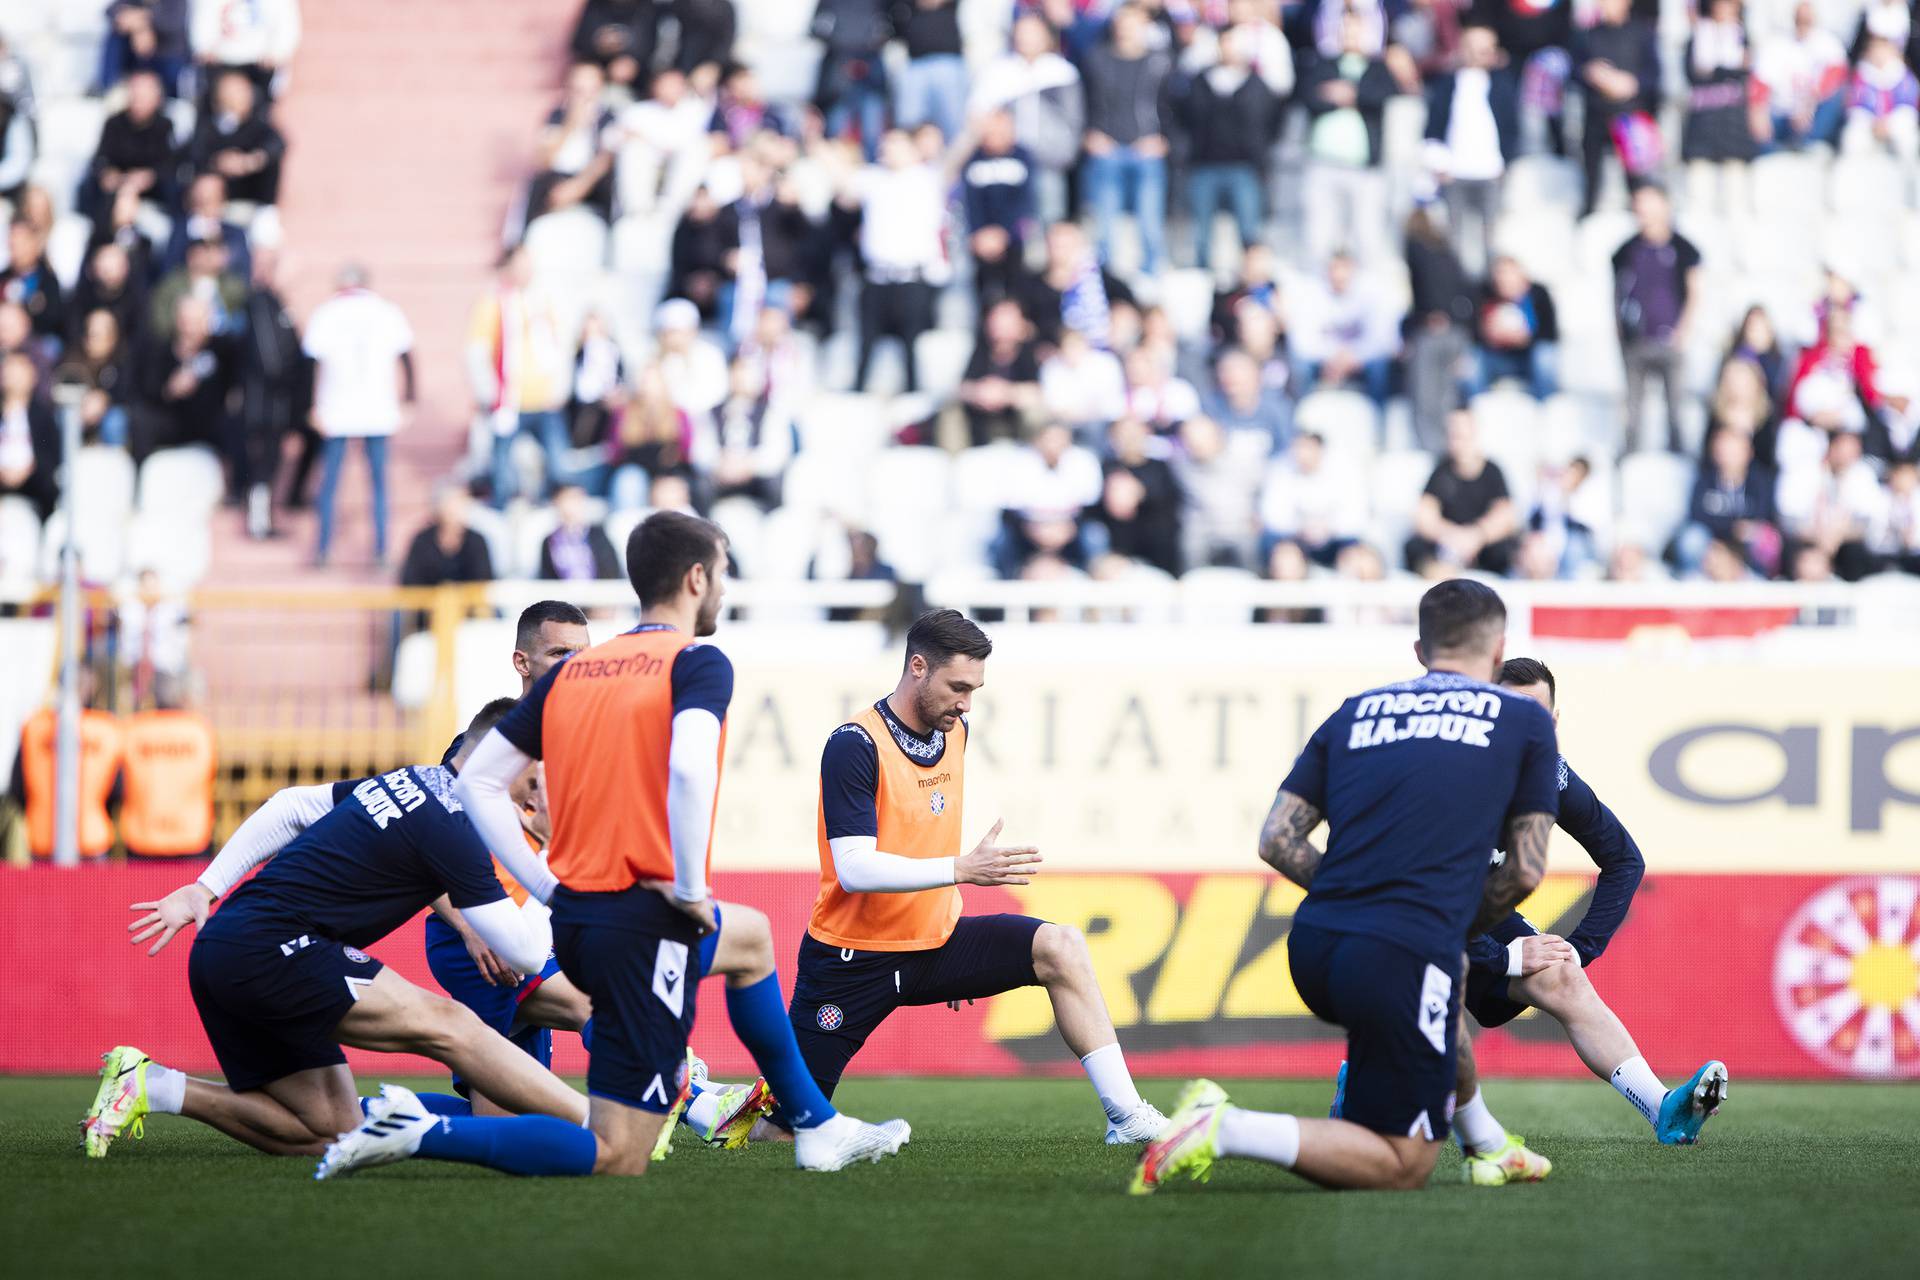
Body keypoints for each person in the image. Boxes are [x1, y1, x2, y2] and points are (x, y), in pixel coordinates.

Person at [327, 512, 913, 1177]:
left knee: (748, 940)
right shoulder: (696, 662)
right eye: (722, 572)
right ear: (697, 578)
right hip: (640, 919)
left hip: (575, 919)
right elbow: (691, 766)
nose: (723, 587)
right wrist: (689, 889)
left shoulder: (574, 673)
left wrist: (546, 887)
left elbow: (478, 782)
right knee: (616, 1152)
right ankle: (420, 1131)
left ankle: (816, 1123)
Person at [1133, 579, 1559, 1194]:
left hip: (1313, 946)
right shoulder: (1523, 719)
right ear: (1499, 652)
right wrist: (1445, 924)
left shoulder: (1356, 710)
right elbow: (1524, 869)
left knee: (1445, 984)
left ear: (1420, 649)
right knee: (1402, 1163)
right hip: (1395, 955)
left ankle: (1490, 1144)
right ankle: (1224, 1127)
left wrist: (1355, 896)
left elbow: (1277, 839)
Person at [83, 702, 586, 1162]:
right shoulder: (454, 822)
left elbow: (292, 805)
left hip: (228, 950)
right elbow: (524, 955)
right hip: (275, 948)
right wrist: (552, 854)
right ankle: (596, 1121)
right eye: (540, 764)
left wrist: (205, 887)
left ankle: (154, 1086)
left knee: (329, 1131)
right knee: (451, 1026)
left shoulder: (412, 781)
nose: (549, 780)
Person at [785, 609, 1167, 1142]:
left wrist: (957, 943)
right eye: (957, 687)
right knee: (783, 1127)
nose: (966, 703)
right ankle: (692, 1095)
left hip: (937, 944)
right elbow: (853, 870)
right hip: (853, 959)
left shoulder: (955, 730)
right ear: (917, 666)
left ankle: (1127, 1116)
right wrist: (963, 870)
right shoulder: (855, 744)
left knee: (1061, 947)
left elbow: (922, 836)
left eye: (975, 690)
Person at [1424, 657, 1727, 1181]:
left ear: (1553, 723)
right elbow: (1410, 896)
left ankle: (1665, 1110)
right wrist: (1502, 956)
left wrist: (1581, 947)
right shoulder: (1443, 775)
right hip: (1409, 918)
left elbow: (1624, 859)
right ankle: (1359, 1090)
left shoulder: (1551, 776)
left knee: (1562, 973)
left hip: (1474, 917)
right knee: (1411, 1047)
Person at [303, 264, 415, 567]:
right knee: (377, 483)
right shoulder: (386, 311)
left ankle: (324, 549)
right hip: (375, 408)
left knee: (331, 483)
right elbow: (407, 357)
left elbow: (310, 364)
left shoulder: (326, 312)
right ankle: (380, 549)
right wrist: (409, 399)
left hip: (338, 408)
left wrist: (311, 405)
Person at [467, 246, 571, 507]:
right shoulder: (492, 303)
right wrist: (490, 393)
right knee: (502, 469)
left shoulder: (543, 301)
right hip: (509, 401)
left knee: (558, 464)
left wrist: (559, 388)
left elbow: (559, 347)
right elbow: (477, 352)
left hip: (544, 400)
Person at [1177, 23, 1283, 271]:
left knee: (1248, 232)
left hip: (1243, 166)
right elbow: (1184, 117)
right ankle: (1202, 278)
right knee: (1202, 233)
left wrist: (1258, 150)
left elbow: (1273, 121)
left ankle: (1249, 278)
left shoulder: (1258, 84)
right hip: (1204, 164)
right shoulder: (1200, 81)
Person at [1080, 4, 1175, 276]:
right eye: (1122, 21)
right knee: (1105, 223)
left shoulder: (1160, 61)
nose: (1126, 27)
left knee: (1150, 223)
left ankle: (1151, 277)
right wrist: (1089, 133)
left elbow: (1173, 107)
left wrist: (1164, 139)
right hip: (1107, 147)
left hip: (1146, 148)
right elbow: (1085, 102)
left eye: (1134, 21)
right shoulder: (1096, 58)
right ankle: (1108, 279)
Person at [1300, 11, 1398, 266]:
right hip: (1323, 161)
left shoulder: (1377, 67)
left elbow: (1383, 95)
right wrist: (1345, 98)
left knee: (1366, 234)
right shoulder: (1323, 64)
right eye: (1344, 29)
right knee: (1320, 233)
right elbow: (1309, 98)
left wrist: (1349, 93)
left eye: (1355, 29)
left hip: (1364, 166)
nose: (1349, 35)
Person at [1423, 24, 1519, 278]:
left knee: (1492, 240)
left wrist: (1505, 163)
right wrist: (1439, 164)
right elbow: (1433, 126)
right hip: (1456, 173)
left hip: (1490, 172)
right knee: (1456, 241)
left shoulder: (1501, 84)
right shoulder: (1447, 84)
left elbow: (1511, 127)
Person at [1612, 185, 1700, 455]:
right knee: (1633, 405)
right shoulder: (1626, 250)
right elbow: (1617, 294)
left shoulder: (1682, 248)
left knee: (1674, 405)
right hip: (1636, 338)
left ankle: (1677, 453)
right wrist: (1619, 332)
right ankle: (1630, 454)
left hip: (1668, 338)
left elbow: (1695, 291)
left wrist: (1682, 332)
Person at [1574, 0, 1662, 217]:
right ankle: (1589, 215)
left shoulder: (1641, 33)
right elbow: (1574, 71)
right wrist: (1591, 73)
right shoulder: (1588, 34)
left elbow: (1654, 74)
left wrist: (1632, 84)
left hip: (1630, 115)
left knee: (1636, 178)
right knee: (1592, 175)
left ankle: (1640, 216)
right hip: (1596, 114)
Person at [1405, 409, 1518, 576]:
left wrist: (1476, 536)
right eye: (1454, 435)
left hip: (1483, 547)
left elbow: (1506, 516)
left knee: (1505, 550)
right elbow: (1423, 516)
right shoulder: (1441, 470)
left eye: (1464, 435)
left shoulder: (1492, 471)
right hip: (1446, 546)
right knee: (1414, 547)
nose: (1459, 442)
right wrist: (1452, 536)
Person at [184, 70, 286, 207]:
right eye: (230, 93)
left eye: (241, 93)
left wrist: (249, 161)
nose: (236, 99)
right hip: (215, 200)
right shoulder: (205, 125)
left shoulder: (258, 124)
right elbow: (195, 154)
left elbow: (278, 144)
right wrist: (219, 162)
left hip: (251, 198)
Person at [1475, 255, 1559, 400]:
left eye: (1510, 275)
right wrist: (1490, 336)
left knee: (1545, 357)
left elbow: (1550, 333)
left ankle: (1547, 404)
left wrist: (1524, 338)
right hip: (1496, 357)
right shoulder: (1485, 296)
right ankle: (1476, 406)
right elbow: (1474, 330)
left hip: (1528, 357)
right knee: (1471, 363)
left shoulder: (1538, 295)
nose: (1505, 280)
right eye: (1501, 276)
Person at [0, 351, 60, 519]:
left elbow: (52, 459)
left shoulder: (42, 416)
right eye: (9, 371)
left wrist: (28, 470)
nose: (14, 378)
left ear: (32, 376)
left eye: (20, 372)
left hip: (33, 492)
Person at [399, 484, 495, 588]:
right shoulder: (422, 541)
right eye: (455, 506)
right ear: (440, 509)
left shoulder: (477, 541)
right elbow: (410, 582)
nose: (460, 511)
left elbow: (484, 581)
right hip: (427, 603)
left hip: (469, 603)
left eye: (463, 505)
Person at [539, 483, 621, 581]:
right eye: (569, 499)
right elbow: (547, 578)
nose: (574, 505)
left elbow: (611, 570)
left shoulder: (598, 535)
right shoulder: (550, 541)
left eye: (578, 499)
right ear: (557, 502)